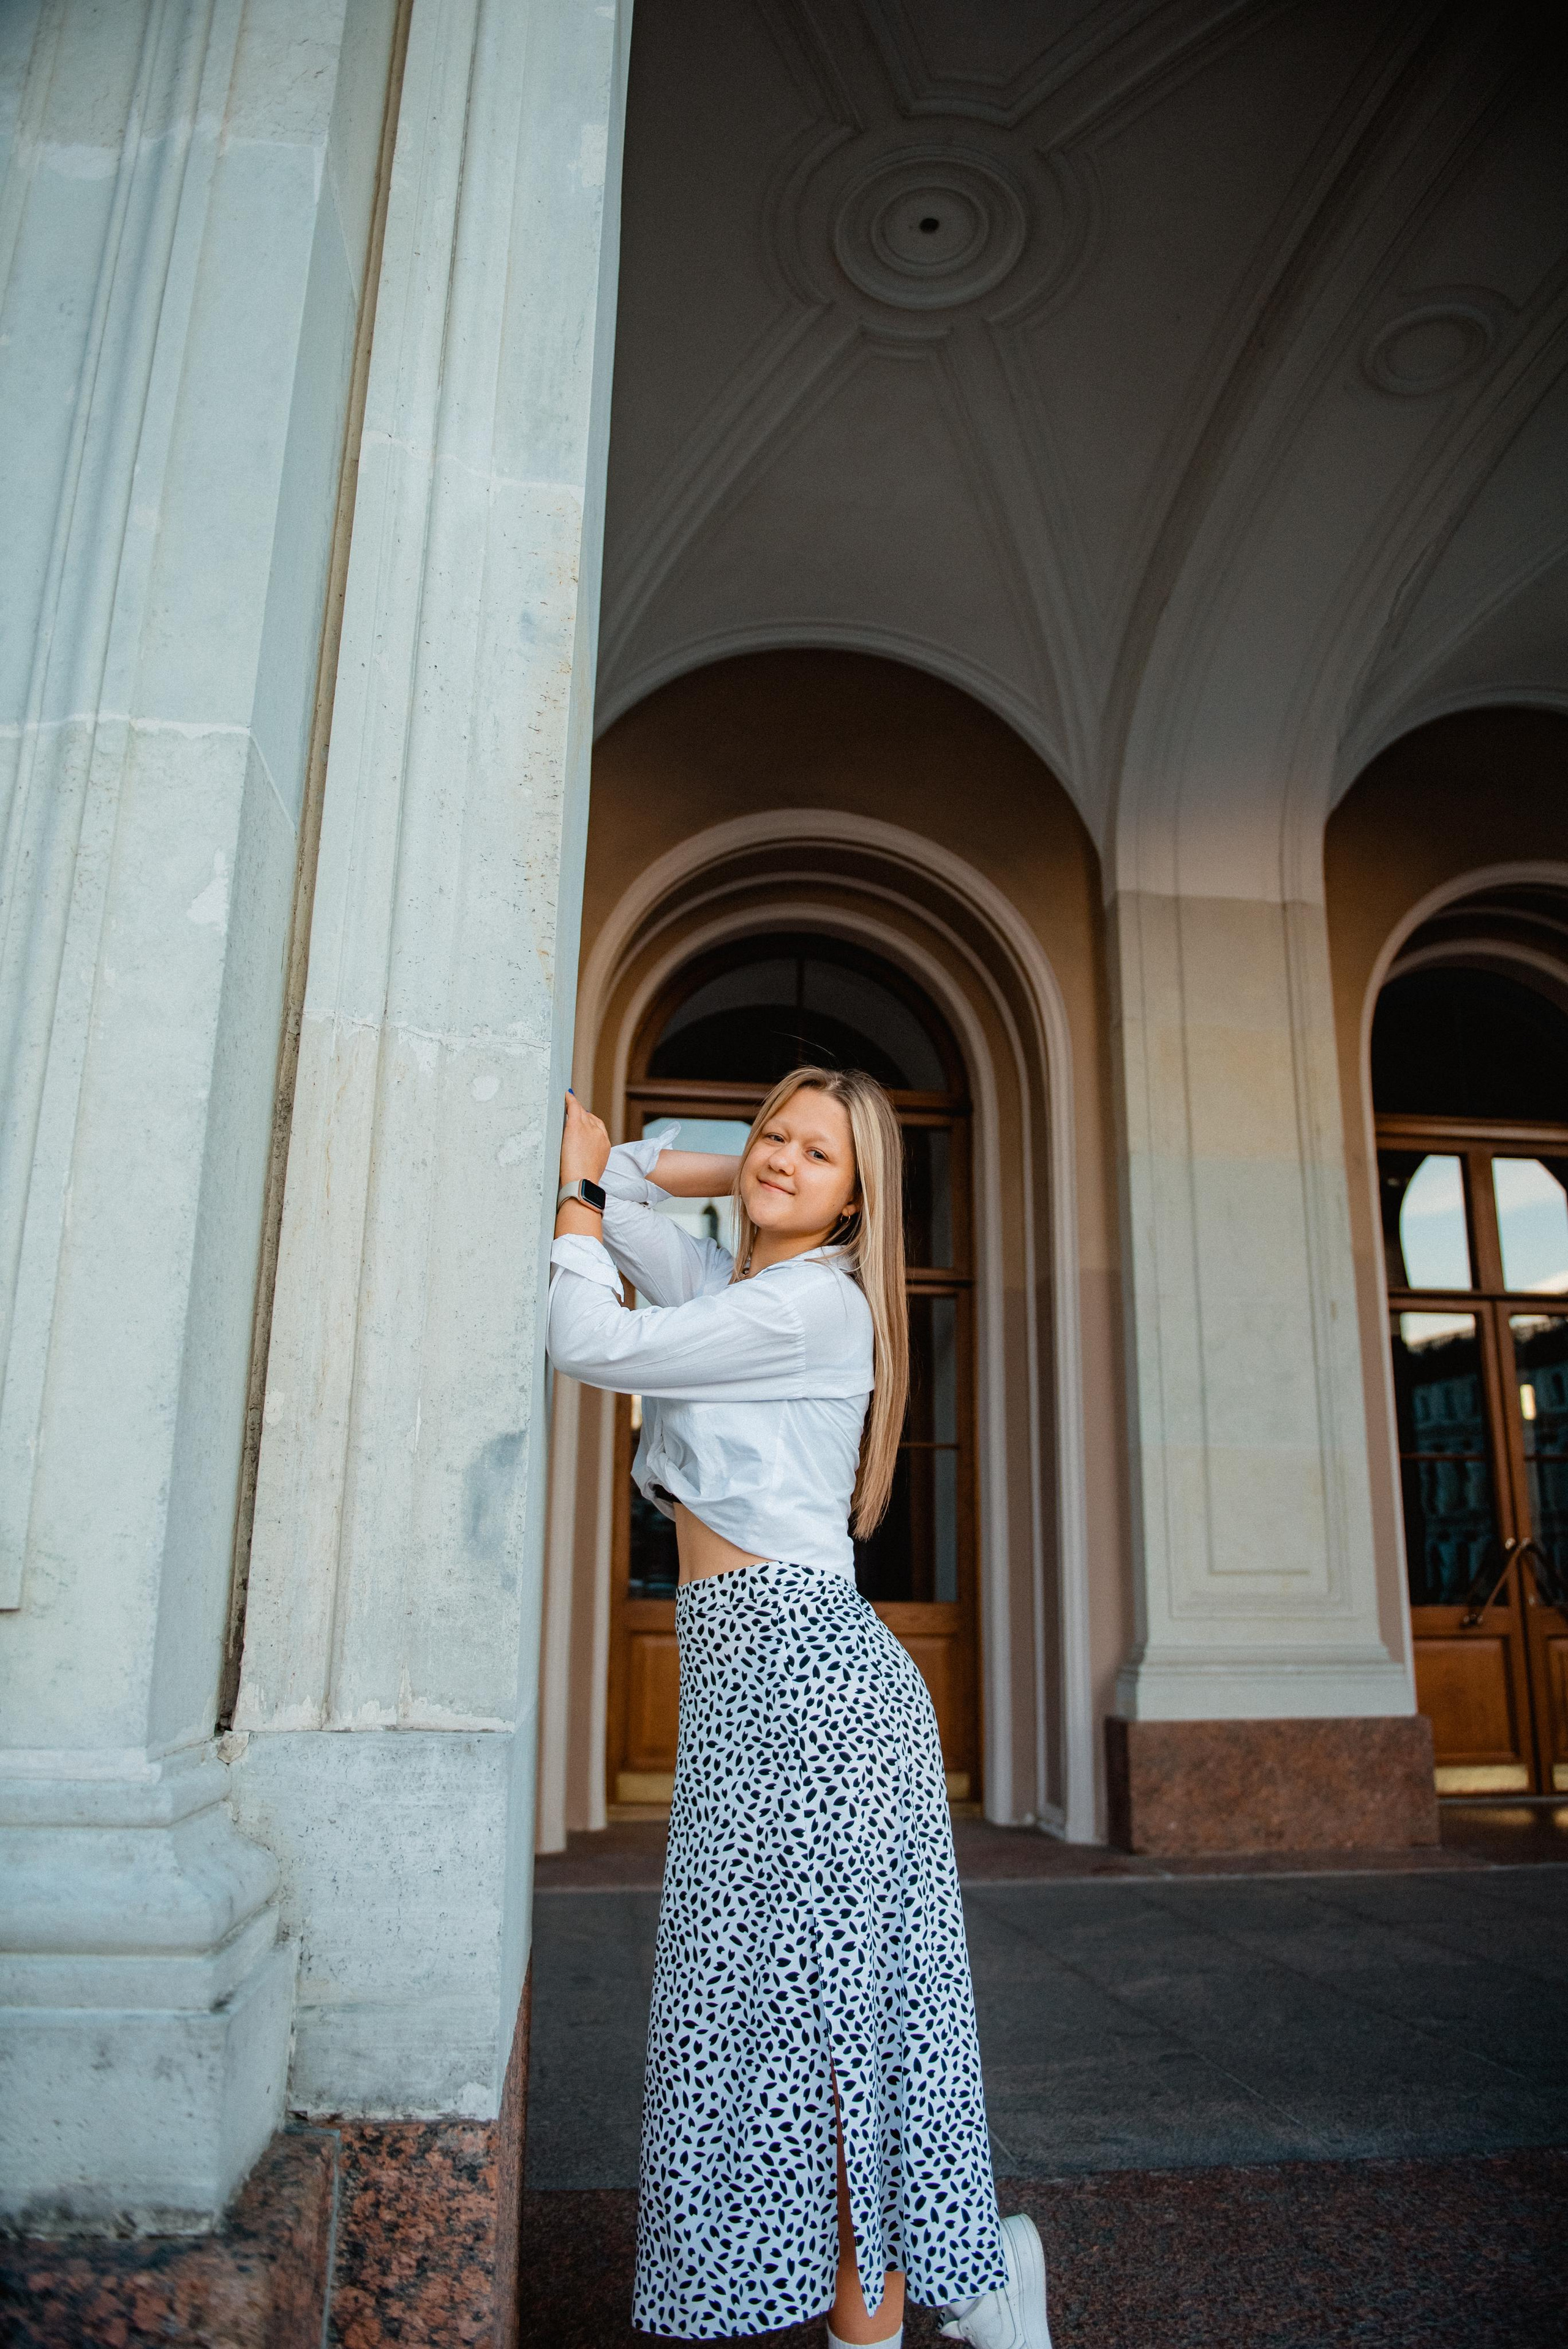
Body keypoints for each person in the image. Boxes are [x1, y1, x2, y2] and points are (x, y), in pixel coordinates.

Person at [548, 1067, 1052, 2349]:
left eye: (816, 1155)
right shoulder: (734, 1290)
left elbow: (585, 1338)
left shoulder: (812, 1310)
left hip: (812, 1692)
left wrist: (573, 1178)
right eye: (772, 1133)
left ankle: (885, 2320)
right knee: (796, 2022)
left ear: (856, 1201)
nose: (776, 1159)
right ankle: (978, 2275)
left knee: (825, 2033)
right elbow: (629, 1193)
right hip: (749, 1694)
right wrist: (663, 1167)